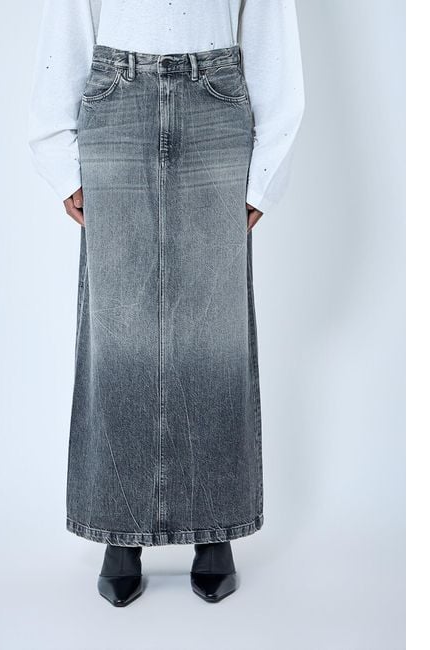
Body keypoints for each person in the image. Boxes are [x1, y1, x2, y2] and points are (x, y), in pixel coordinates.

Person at [28, 0, 304, 607]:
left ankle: (215, 527)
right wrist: (58, 157)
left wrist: (266, 172)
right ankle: (120, 529)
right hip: (115, 102)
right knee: (116, 325)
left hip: (216, 103)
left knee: (215, 325)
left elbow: (269, 25)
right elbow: (69, 16)